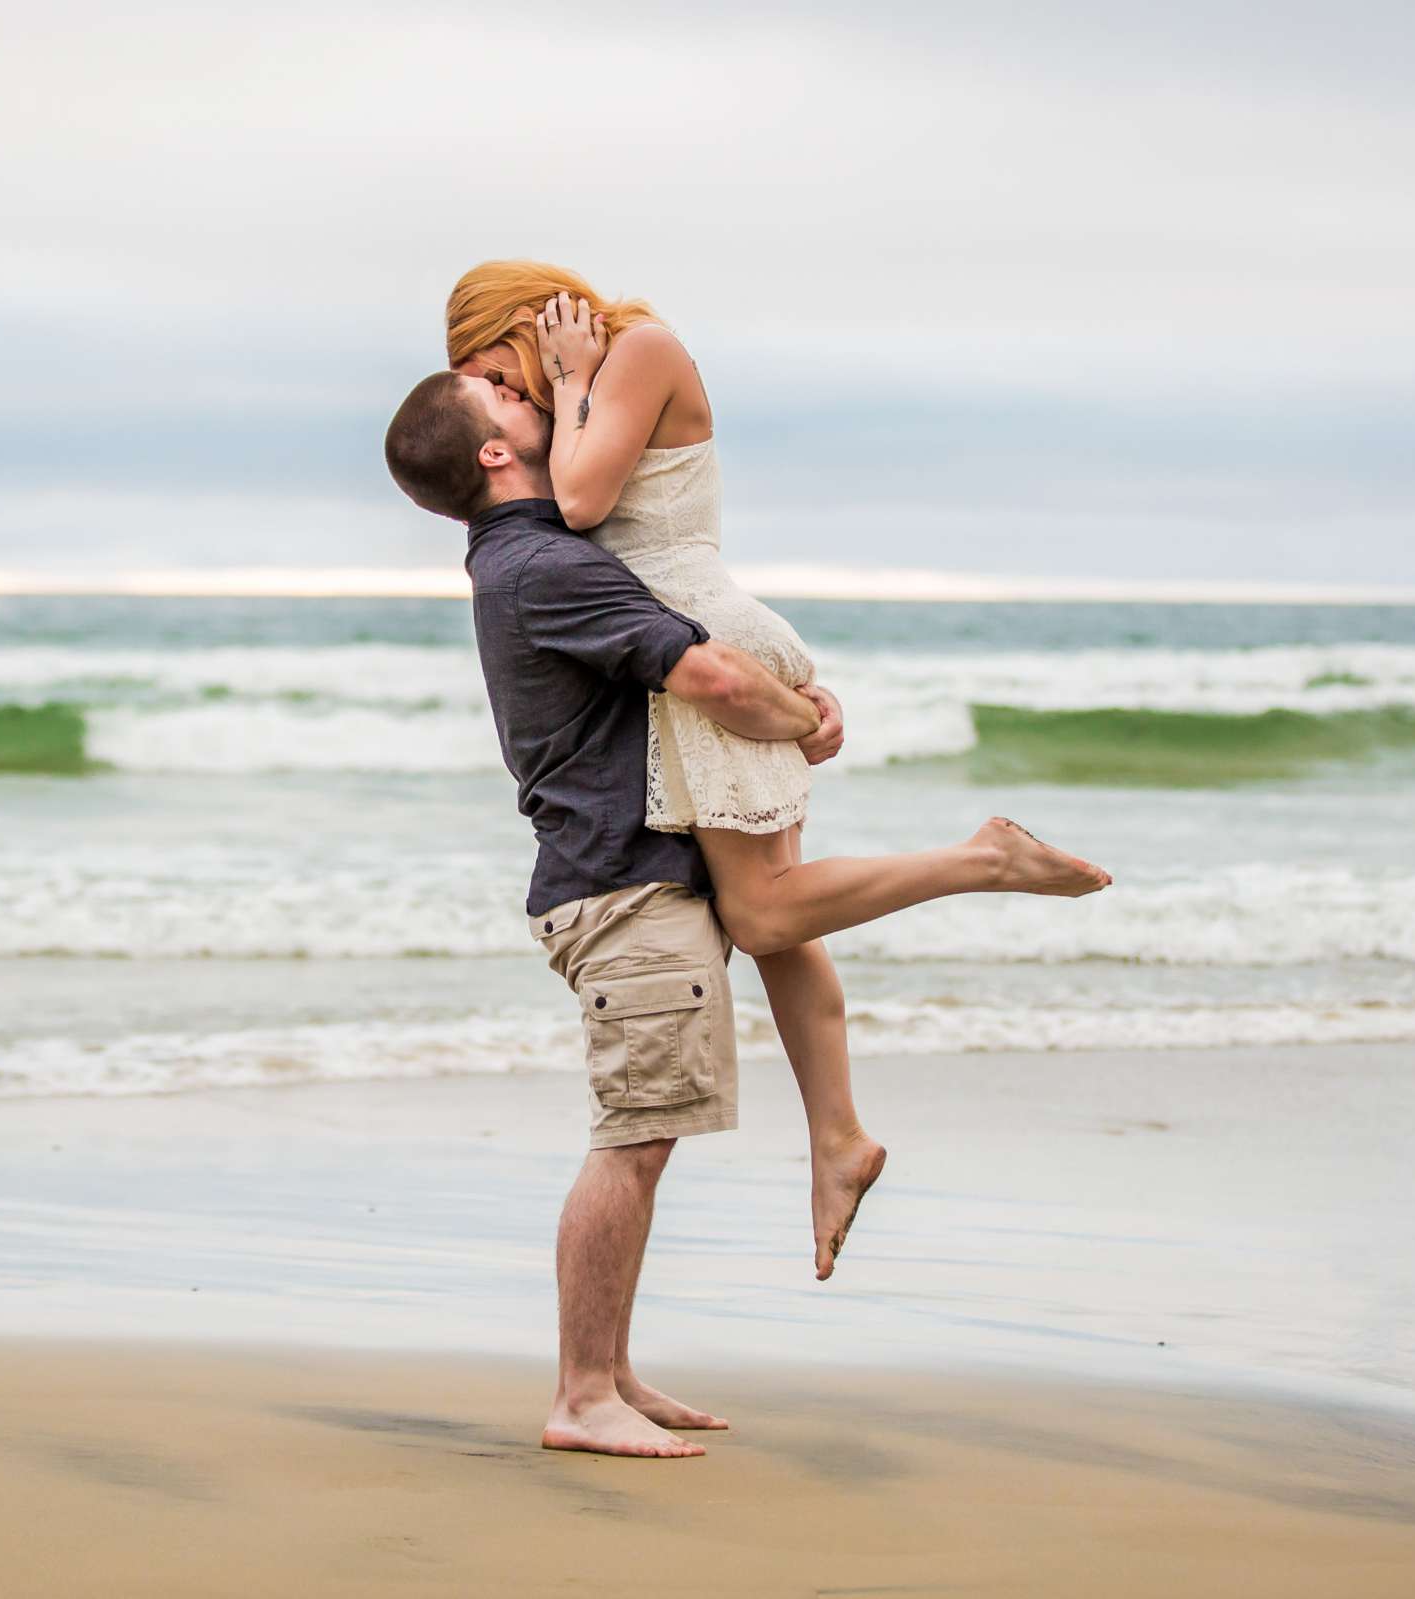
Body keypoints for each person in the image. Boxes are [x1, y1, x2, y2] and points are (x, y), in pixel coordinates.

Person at [384, 358, 1108, 1460]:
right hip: (623, 892)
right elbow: (710, 676)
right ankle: (582, 1396)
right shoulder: (544, 566)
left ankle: (612, 1370)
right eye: (509, 404)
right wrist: (802, 719)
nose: (529, 400)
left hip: (627, 878)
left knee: (650, 1135)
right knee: (632, 1140)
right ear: (494, 454)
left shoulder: (531, 557)